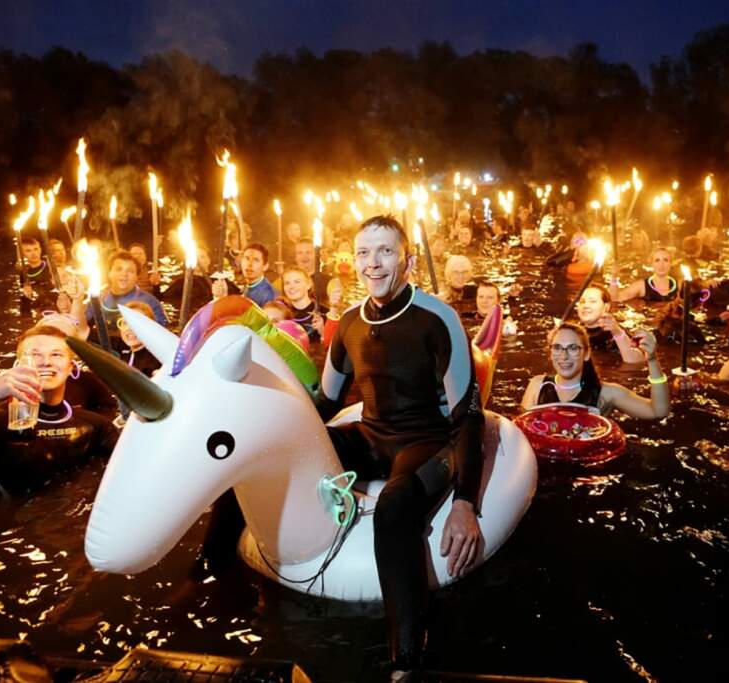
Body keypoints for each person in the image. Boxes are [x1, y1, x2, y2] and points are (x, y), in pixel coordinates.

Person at [317, 215, 483, 671]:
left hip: (427, 442)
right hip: (371, 436)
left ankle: (407, 662)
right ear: (353, 262)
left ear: (406, 260)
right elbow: (325, 403)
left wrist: (466, 503)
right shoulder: (349, 324)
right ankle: (207, 574)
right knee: (295, 448)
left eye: (385, 252)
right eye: (364, 253)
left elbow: (469, 415)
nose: (373, 264)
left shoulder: (437, 318)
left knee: (393, 504)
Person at [0, 325, 119, 495]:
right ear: (18, 365)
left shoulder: (96, 426)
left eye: (56, 355)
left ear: (71, 367)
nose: (45, 362)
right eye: (34, 355)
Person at [520, 321, 670, 419]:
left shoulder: (606, 393)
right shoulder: (537, 385)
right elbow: (522, 429)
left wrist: (651, 359)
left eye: (573, 348)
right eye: (557, 348)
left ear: (586, 354)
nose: (564, 356)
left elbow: (658, 411)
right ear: (551, 353)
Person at [85, 250, 168, 346]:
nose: (124, 274)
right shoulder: (98, 300)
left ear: (137, 276)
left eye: (130, 271)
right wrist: (76, 301)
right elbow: (82, 328)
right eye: (119, 269)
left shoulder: (150, 302)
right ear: (109, 273)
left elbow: (161, 337)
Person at [574, 285, 646, 362]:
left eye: (592, 301)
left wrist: (617, 333)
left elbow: (638, 360)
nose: (585, 305)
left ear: (606, 307)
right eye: (582, 301)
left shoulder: (616, 333)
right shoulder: (573, 331)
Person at [212, 242, 278, 308]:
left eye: (256, 260)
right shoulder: (250, 286)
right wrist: (222, 298)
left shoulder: (268, 295)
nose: (249, 264)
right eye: (246, 258)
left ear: (265, 266)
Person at [162, 244, 213, 324]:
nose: (198, 260)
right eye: (195, 257)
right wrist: (156, 285)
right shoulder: (181, 283)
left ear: (209, 260)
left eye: (202, 257)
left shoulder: (218, 280)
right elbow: (163, 299)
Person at [278, 266, 326, 344]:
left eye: (297, 282)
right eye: (287, 283)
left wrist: (323, 332)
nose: (291, 287)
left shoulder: (324, 312)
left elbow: (333, 349)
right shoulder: (280, 311)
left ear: (308, 285)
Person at [614, 247, 678, 302]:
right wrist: (614, 276)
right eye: (657, 260)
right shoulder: (641, 286)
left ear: (671, 264)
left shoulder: (679, 286)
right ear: (651, 264)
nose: (661, 264)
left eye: (665, 260)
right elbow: (616, 298)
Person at [119, 302, 163, 376]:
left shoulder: (156, 362)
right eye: (125, 323)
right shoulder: (123, 354)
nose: (129, 328)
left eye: (137, 323)